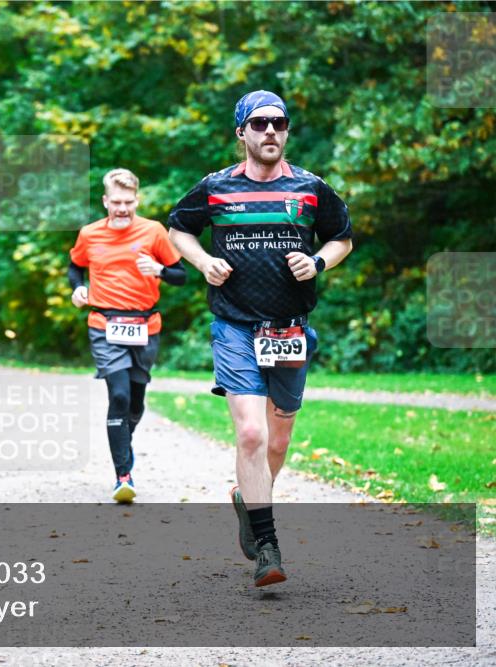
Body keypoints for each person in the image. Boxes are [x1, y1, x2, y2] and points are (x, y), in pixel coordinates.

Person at [167, 90, 353, 587]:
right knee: (251, 433)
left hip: (290, 329)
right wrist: (204, 261)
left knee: (279, 437)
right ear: (241, 134)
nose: (270, 131)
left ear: (287, 131)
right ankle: (267, 548)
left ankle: (247, 500)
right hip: (234, 325)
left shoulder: (312, 188)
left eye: (279, 123)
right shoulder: (215, 188)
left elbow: (343, 238)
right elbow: (178, 230)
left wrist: (316, 261)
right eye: (259, 124)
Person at [68, 168, 187, 503]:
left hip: (145, 326)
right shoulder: (89, 234)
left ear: (137, 199)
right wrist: (78, 287)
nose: (122, 208)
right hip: (104, 324)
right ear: (105, 201)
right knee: (118, 396)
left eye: (128, 202)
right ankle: (123, 476)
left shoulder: (153, 232)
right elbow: (74, 266)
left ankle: (122, 437)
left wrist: (160, 270)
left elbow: (181, 275)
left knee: (135, 401)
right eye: (116, 202)